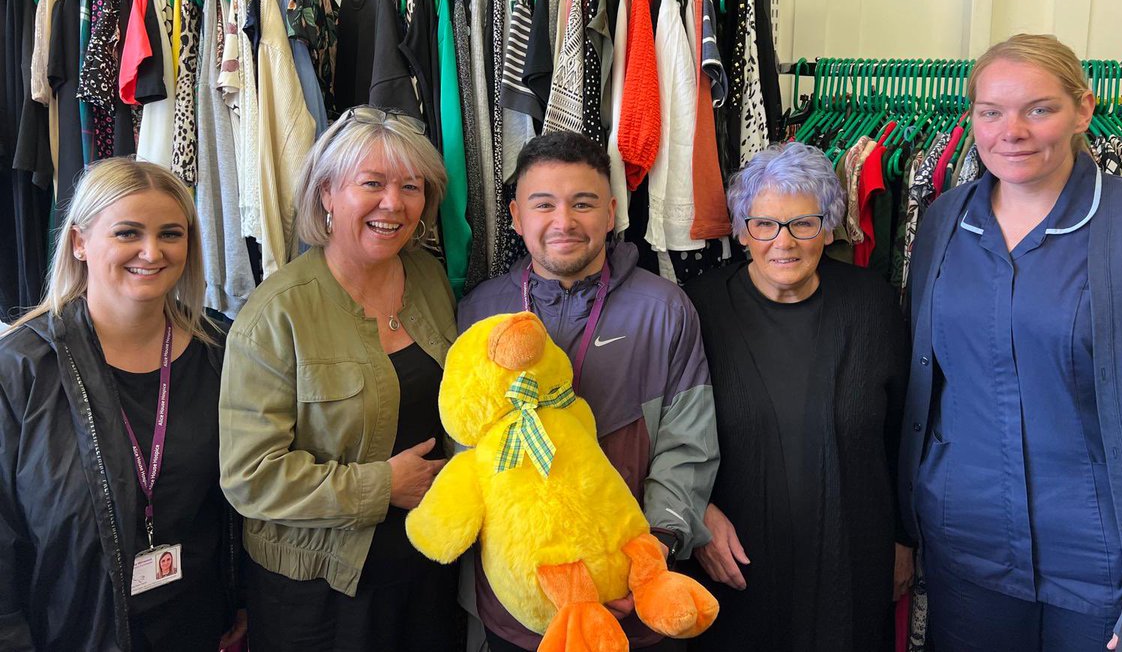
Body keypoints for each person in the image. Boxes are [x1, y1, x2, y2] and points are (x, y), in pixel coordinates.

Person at [901, 34, 1122, 652]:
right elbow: (923, 385)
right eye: (991, 112)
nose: (1011, 130)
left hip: (1103, 556)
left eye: (1039, 108)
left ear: (1083, 110)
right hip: (966, 541)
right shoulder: (944, 222)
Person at [457, 131, 719, 652]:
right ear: (514, 216)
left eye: (583, 203)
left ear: (611, 212)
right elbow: (466, 447)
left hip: (637, 607)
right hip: (517, 611)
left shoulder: (664, 309)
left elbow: (688, 447)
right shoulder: (480, 311)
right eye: (544, 204)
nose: (564, 221)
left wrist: (650, 553)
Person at [219, 106, 461, 650]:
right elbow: (250, 476)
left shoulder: (428, 277)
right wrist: (382, 486)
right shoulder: (276, 315)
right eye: (371, 183)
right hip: (320, 588)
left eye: (410, 186)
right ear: (326, 193)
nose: (393, 203)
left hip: (427, 568)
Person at [0, 157, 244, 652]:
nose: (151, 252)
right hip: (70, 630)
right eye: (128, 233)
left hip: (198, 626)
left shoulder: (221, 349)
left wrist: (240, 599)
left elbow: (235, 505)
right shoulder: (22, 366)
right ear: (79, 242)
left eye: (171, 234)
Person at [682, 142, 913, 651]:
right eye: (764, 224)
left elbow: (903, 430)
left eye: (803, 224)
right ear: (742, 232)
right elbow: (664, 437)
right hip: (734, 565)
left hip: (851, 557)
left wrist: (903, 539)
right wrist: (697, 513)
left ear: (828, 229)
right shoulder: (697, 311)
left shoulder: (872, 304)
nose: (782, 242)